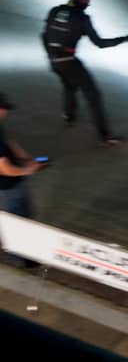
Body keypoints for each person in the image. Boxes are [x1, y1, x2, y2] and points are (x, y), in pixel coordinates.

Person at [41, 0, 128, 146]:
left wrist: (50, 56)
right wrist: (124, 39)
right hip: (69, 62)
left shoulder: (55, 11)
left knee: (69, 85)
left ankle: (69, 115)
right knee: (94, 96)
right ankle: (104, 136)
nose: (89, 1)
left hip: (54, 61)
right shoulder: (82, 18)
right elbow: (100, 43)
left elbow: (43, 35)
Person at [0, 94, 45, 268]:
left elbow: (9, 143)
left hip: (15, 181)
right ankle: (16, 256)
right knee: (17, 217)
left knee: (25, 214)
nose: (5, 112)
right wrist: (28, 170)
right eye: (3, 108)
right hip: (8, 184)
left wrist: (28, 158)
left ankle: (26, 248)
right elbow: (4, 169)